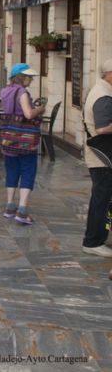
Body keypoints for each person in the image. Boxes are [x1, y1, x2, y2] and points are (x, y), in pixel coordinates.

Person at [0, 63, 45, 225]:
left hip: (8, 138)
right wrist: (40, 109)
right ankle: (22, 210)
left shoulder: (5, 91)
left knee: (11, 171)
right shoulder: (22, 93)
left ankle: (10, 206)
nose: (31, 79)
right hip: (25, 140)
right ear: (22, 77)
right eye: (29, 77)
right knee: (27, 171)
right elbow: (28, 114)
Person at [83, 59, 112, 258]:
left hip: (101, 157)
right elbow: (102, 128)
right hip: (102, 158)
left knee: (103, 198)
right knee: (101, 199)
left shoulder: (101, 90)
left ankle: (97, 238)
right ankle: (93, 242)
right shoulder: (103, 96)